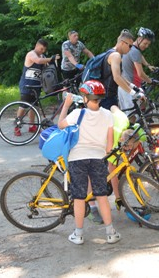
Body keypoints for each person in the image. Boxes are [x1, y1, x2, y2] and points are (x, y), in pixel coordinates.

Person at [57, 79, 121, 245]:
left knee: (79, 197)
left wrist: (66, 105)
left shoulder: (77, 113)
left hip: (77, 158)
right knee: (101, 196)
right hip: (98, 159)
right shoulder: (108, 115)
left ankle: (78, 235)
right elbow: (109, 146)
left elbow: (60, 125)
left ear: (85, 98)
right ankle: (111, 233)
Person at [16, 39, 59, 136]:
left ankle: (32, 126)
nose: (42, 51)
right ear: (36, 45)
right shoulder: (31, 54)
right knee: (23, 105)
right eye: (41, 49)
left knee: (34, 106)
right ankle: (17, 126)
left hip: (36, 85)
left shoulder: (42, 56)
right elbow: (38, 61)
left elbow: (46, 67)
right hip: (27, 84)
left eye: (44, 50)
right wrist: (51, 58)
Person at [98, 30, 143, 111]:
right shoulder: (116, 55)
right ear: (122, 43)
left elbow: (120, 76)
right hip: (107, 98)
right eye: (130, 46)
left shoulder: (111, 52)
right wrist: (133, 93)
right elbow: (117, 78)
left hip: (107, 96)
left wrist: (133, 87)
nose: (130, 49)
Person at [118, 28, 157, 111]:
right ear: (139, 39)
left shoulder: (130, 48)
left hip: (123, 85)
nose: (146, 46)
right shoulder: (135, 52)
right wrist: (150, 81)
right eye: (145, 43)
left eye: (148, 44)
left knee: (137, 108)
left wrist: (148, 65)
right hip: (129, 87)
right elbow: (140, 74)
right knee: (133, 115)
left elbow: (139, 56)